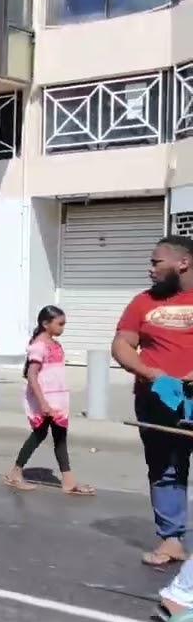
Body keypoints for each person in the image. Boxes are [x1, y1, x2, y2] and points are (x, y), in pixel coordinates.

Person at [111, 235, 193, 567]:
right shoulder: (142, 302)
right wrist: (148, 372)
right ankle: (171, 540)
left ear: (183, 263)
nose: (150, 269)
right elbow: (122, 344)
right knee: (165, 468)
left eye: (156, 262)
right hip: (157, 400)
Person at [3, 306, 94, 495]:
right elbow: (32, 375)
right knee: (40, 434)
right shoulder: (39, 346)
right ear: (46, 324)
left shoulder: (55, 344)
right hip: (44, 398)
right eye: (59, 324)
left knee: (58, 436)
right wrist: (43, 403)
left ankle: (68, 481)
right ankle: (15, 473)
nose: (63, 328)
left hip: (57, 398)